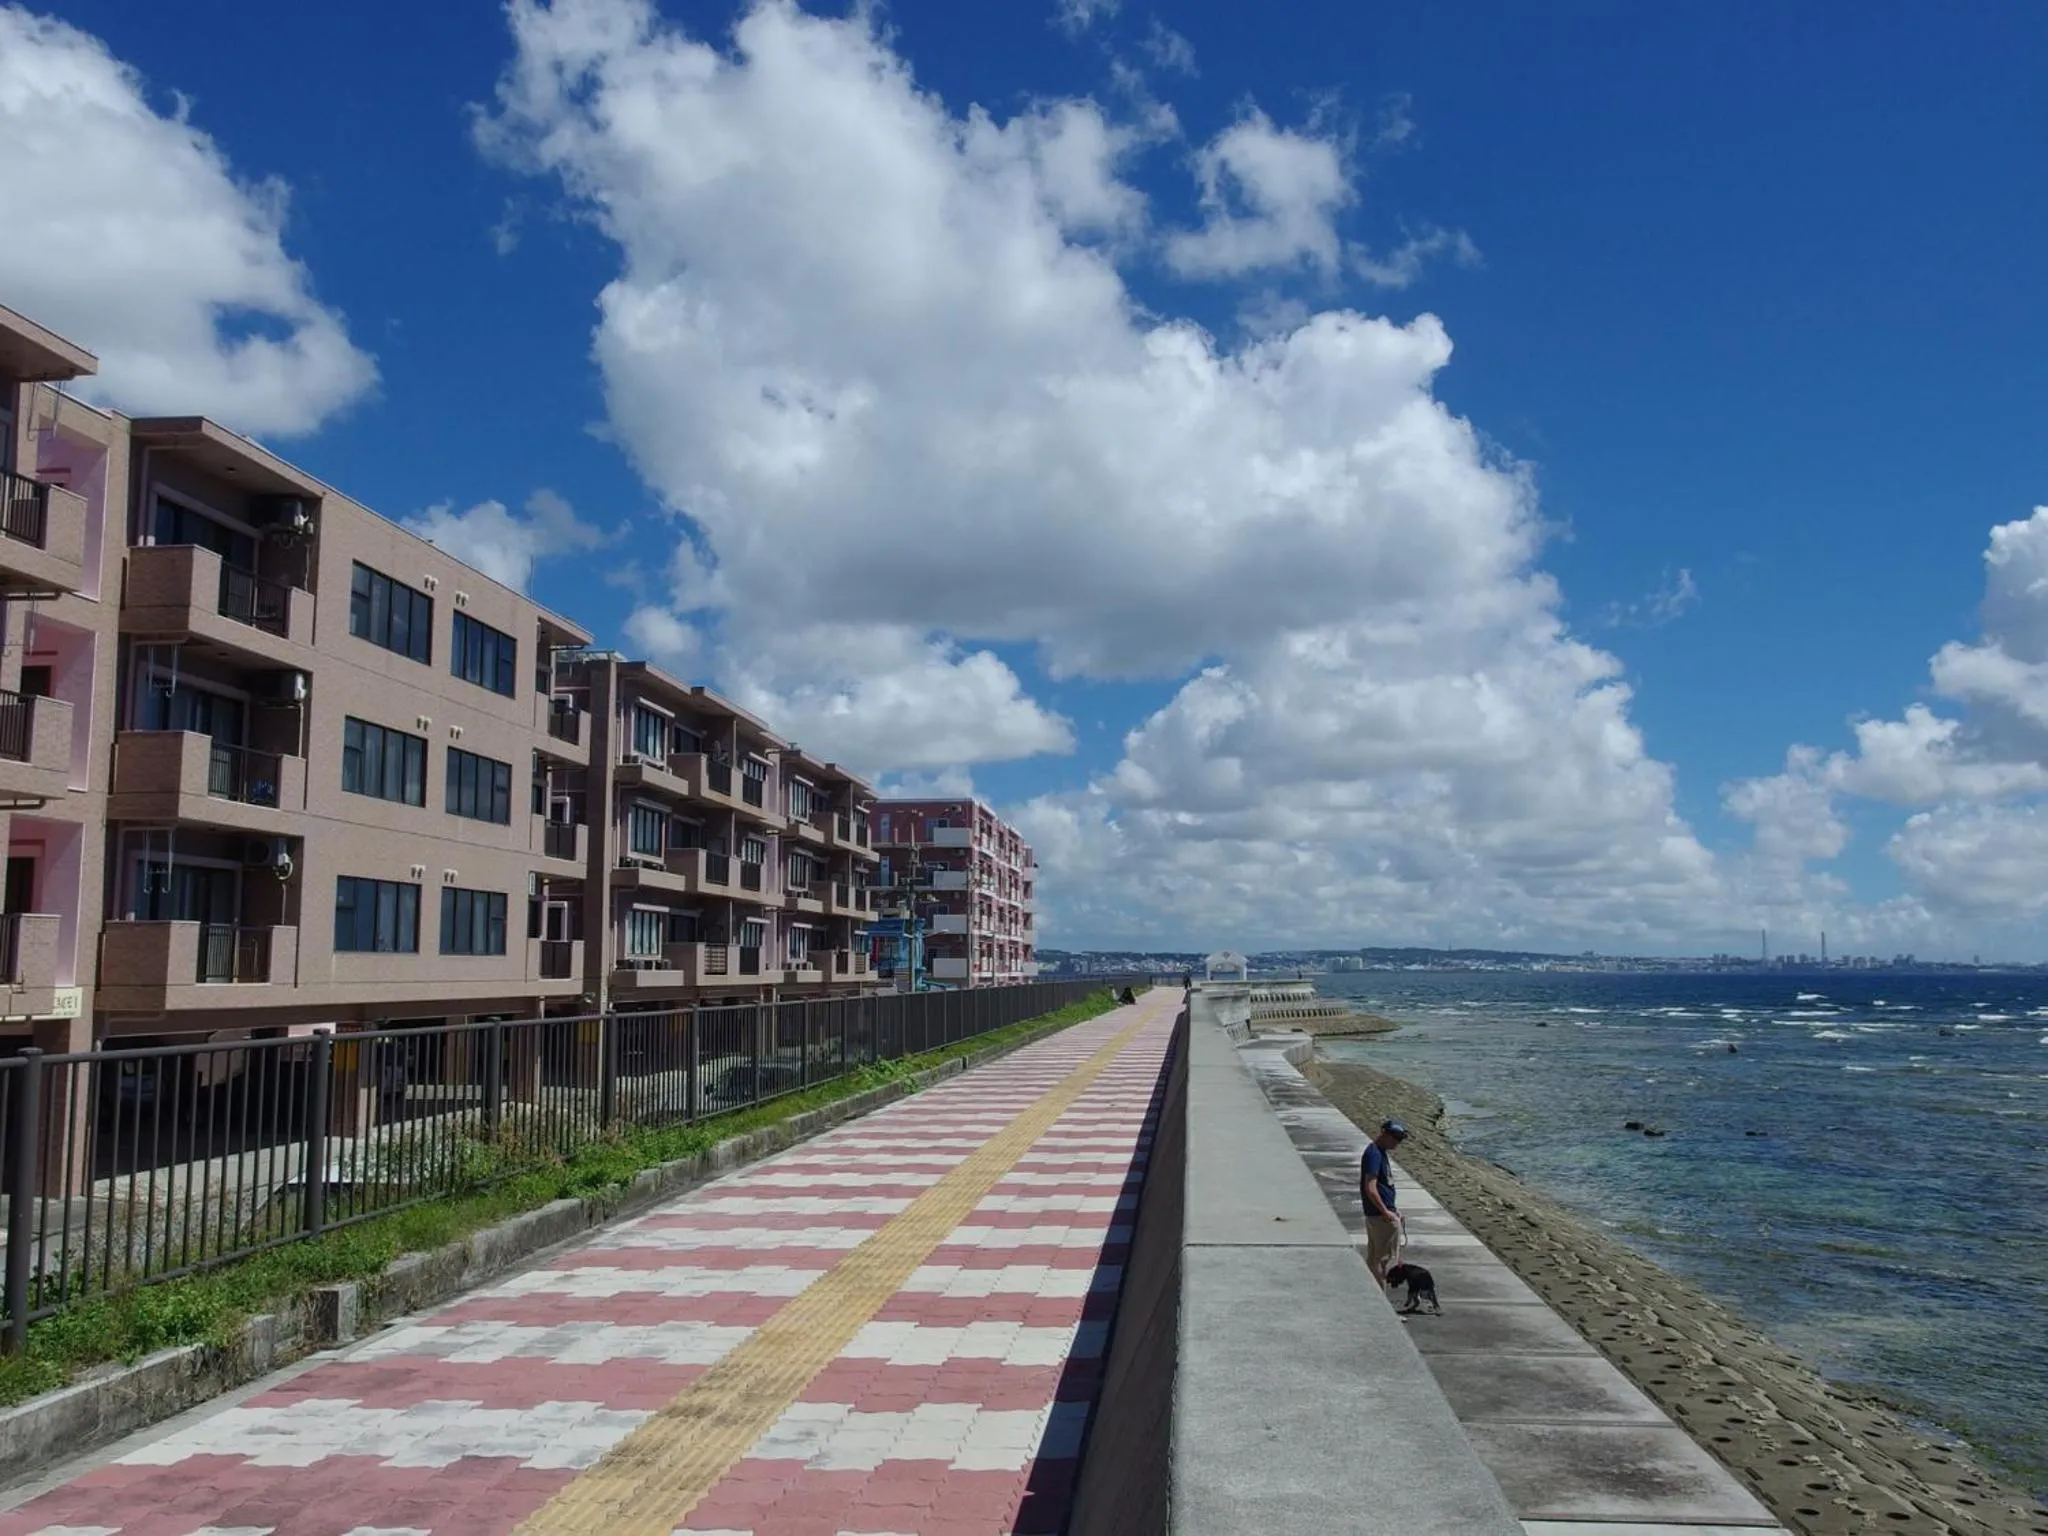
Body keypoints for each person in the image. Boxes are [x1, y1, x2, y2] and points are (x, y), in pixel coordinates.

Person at [1359, 1118, 1407, 1288]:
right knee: (1381, 1260)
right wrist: (1386, 1211)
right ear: (1384, 1134)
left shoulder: (1380, 1152)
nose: (1397, 1142)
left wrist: (1393, 1209)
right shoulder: (1374, 1153)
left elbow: (1383, 1185)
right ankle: (1381, 1299)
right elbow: (1371, 1187)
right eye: (1395, 1138)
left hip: (1381, 1213)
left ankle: (1373, 1295)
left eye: (1400, 1139)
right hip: (1380, 1217)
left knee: (1375, 1259)